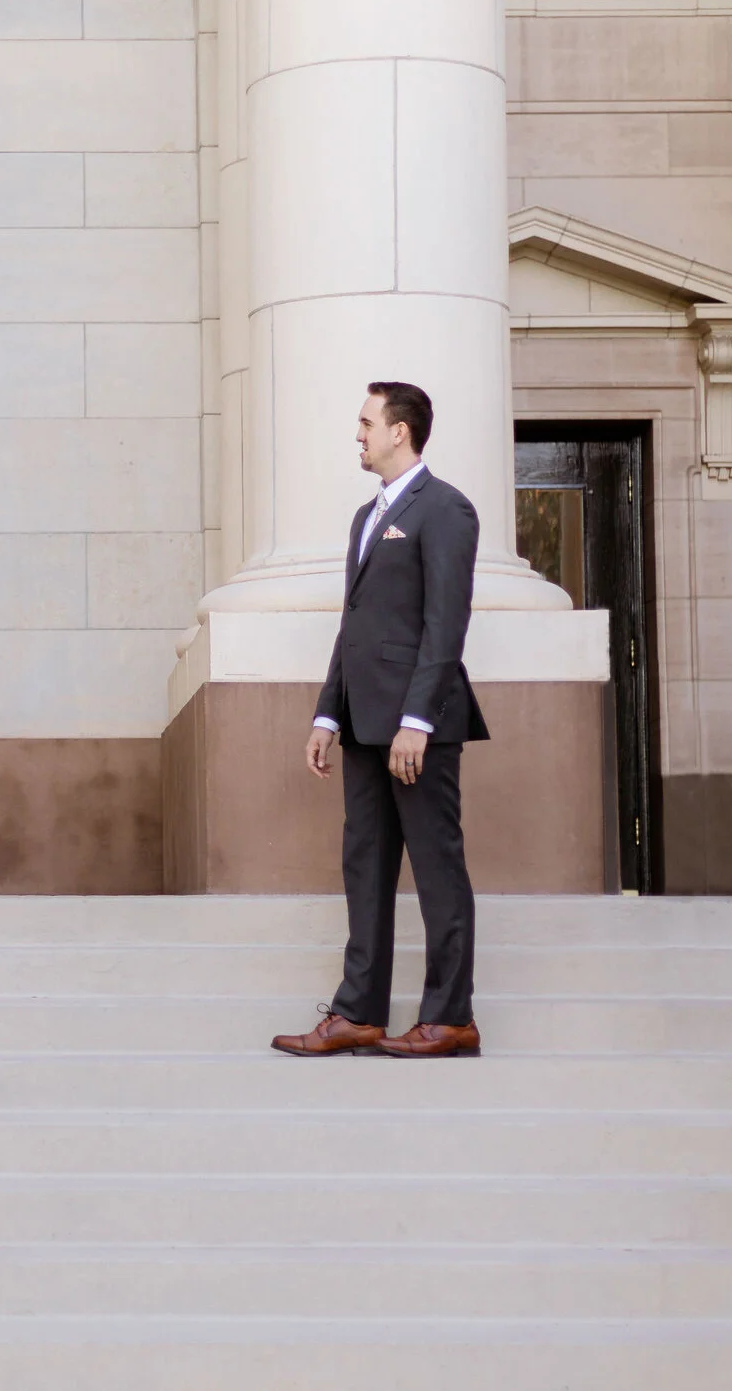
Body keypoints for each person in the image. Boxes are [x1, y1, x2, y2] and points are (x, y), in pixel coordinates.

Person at [271, 381, 488, 1061]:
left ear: (402, 430)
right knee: (364, 864)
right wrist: (326, 713)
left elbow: (445, 622)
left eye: (367, 423)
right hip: (363, 722)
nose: (358, 434)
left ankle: (450, 1016)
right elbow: (355, 622)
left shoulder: (446, 509)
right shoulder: (366, 516)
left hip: (417, 727)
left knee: (436, 867)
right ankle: (358, 1012)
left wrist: (418, 719)